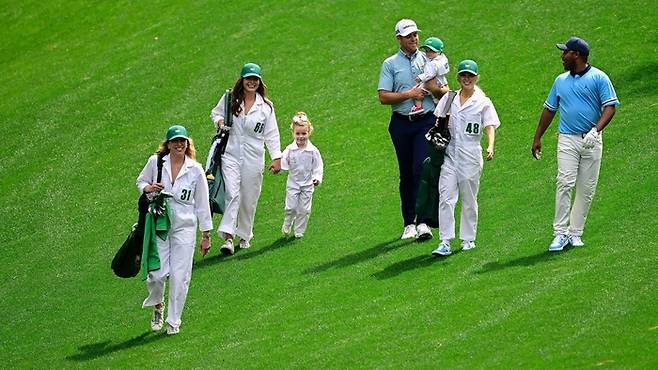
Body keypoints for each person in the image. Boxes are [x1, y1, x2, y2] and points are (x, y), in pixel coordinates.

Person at [532, 37, 619, 252]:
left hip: (592, 140)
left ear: (577, 55)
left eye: (566, 53)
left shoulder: (599, 78)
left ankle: (575, 233)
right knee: (564, 183)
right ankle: (559, 233)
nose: (562, 57)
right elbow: (549, 109)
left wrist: (596, 130)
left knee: (586, 188)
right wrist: (537, 138)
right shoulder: (560, 81)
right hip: (567, 139)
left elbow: (610, 107)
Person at [136, 124, 213, 335]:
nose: (179, 144)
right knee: (156, 274)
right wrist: (148, 188)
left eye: (182, 141)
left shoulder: (195, 169)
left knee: (181, 277)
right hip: (161, 225)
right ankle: (158, 304)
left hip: (185, 228)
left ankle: (173, 322)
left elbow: (202, 204)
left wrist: (206, 235)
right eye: (175, 141)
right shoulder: (156, 163)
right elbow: (140, 181)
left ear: (187, 143)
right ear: (168, 144)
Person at [378, 19, 449, 241]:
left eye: (415, 35)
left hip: (425, 122)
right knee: (406, 174)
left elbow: (445, 91)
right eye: (409, 36)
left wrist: (432, 89)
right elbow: (383, 96)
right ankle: (409, 222)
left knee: (421, 168)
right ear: (399, 39)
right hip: (401, 124)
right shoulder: (390, 64)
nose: (414, 39)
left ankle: (423, 222)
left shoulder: (430, 59)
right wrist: (410, 94)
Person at [209, 62, 282, 255]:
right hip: (231, 154)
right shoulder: (230, 99)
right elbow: (215, 113)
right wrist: (220, 121)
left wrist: (276, 157)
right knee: (232, 194)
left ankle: (245, 235)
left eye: (255, 79)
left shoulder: (266, 107)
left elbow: (272, 133)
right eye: (248, 79)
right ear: (242, 80)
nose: (252, 82)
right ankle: (228, 237)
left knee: (249, 197)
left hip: (254, 157)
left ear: (259, 81)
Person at [431, 60, 500, 256]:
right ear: (458, 77)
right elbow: (438, 119)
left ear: (477, 77)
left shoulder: (483, 102)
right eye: (463, 75)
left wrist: (490, 146)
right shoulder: (449, 98)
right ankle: (445, 240)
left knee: (469, 199)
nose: (466, 79)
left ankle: (468, 239)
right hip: (450, 154)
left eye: (470, 75)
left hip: (470, 155)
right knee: (446, 197)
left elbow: (490, 126)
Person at [280, 112, 324, 238]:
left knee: (304, 210)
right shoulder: (289, 149)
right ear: (293, 133)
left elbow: (318, 166)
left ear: (309, 132)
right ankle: (287, 223)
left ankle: (299, 230)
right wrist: (277, 166)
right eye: (297, 133)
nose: (300, 137)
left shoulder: (313, 151)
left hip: (307, 185)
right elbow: (283, 162)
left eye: (304, 133)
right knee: (291, 208)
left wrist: (316, 178)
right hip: (293, 183)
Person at [411, 37, 450, 115]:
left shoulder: (434, 63)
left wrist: (420, 77)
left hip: (432, 81)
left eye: (431, 51)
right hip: (441, 81)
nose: (428, 53)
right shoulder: (442, 58)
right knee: (438, 100)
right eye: (426, 51)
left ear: (439, 52)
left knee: (416, 91)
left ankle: (418, 107)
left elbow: (429, 74)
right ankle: (442, 110)